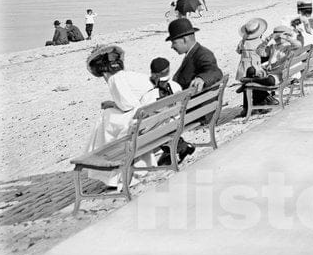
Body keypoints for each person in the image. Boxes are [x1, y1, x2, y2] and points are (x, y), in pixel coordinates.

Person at [83, 45, 158, 189]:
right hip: (156, 114)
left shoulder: (114, 79)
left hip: (144, 118)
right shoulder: (129, 75)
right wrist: (114, 104)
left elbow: (128, 105)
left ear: (103, 71)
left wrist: (113, 105)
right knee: (108, 115)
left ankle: (104, 166)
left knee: (105, 119)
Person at [166, 18, 223, 93]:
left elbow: (215, 72)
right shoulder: (193, 53)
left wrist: (202, 78)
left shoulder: (203, 54)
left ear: (184, 40)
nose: (172, 46)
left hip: (191, 103)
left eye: (174, 42)